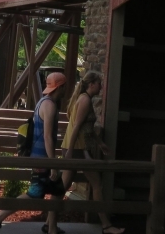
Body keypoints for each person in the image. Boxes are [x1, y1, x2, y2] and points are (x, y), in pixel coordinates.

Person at [0, 72, 68, 234]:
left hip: (39, 158)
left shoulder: (42, 102)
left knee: (58, 190)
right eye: (65, 86)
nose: (67, 89)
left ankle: (50, 227)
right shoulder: (50, 105)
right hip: (42, 160)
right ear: (60, 87)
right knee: (34, 194)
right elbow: (47, 136)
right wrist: (53, 164)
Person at [60, 71, 124, 234]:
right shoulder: (85, 100)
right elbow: (76, 127)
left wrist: (100, 143)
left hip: (76, 148)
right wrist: (70, 152)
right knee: (97, 184)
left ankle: (49, 221)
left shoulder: (82, 98)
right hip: (78, 149)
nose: (101, 86)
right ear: (92, 84)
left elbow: (87, 128)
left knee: (62, 186)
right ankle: (106, 225)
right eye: (99, 83)